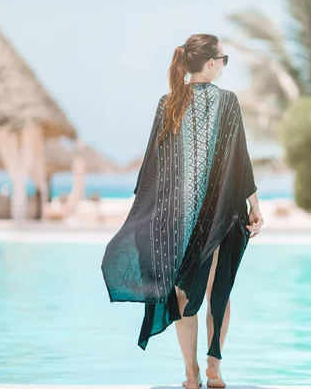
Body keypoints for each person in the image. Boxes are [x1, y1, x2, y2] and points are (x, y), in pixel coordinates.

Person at [101, 34, 264, 389]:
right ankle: (213, 368)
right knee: (217, 291)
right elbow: (240, 162)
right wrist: (254, 205)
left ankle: (191, 376)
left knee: (183, 294)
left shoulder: (168, 103)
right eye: (224, 59)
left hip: (178, 220)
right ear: (210, 64)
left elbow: (152, 169)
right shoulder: (228, 102)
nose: (223, 65)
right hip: (219, 215)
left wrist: (148, 215)